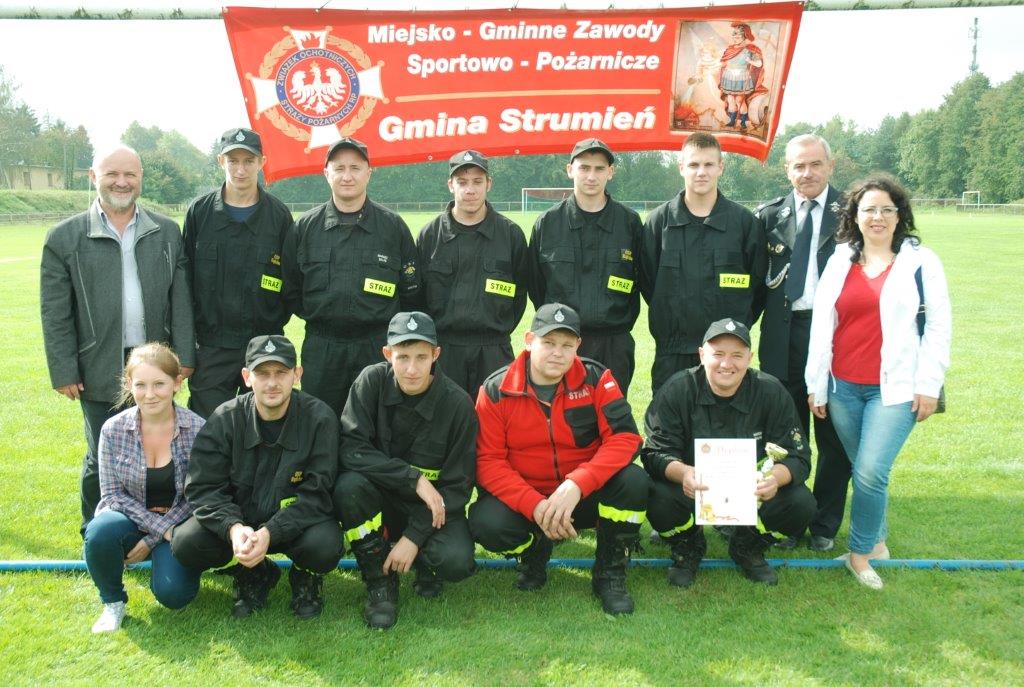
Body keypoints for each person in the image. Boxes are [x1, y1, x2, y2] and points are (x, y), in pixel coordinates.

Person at [40, 144, 195, 536]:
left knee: (156, 447)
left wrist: (184, 356)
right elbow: (55, 312)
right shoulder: (64, 237)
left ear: (141, 178)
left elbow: (181, 298)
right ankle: (96, 534)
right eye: (112, 174)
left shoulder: (166, 231)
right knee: (101, 452)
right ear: (94, 177)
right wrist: (64, 369)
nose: (121, 182)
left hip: (156, 362)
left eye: (130, 174)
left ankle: (152, 529)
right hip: (98, 362)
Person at [806, 175, 950, 590]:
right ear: (855, 215)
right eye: (869, 209)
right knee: (864, 469)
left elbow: (938, 326)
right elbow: (822, 326)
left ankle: (860, 553)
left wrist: (929, 384)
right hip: (842, 388)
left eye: (887, 209)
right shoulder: (839, 260)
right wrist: (817, 384)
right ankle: (879, 543)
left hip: (896, 389)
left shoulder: (922, 262)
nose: (878, 217)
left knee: (870, 471)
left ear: (900, 215)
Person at [469, 303, 649, 615]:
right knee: (486, 522)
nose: (557, 353)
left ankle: (609, 570)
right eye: (548, 343)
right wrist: (535, 506)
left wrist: (577, 484)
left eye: (567, 345)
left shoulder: (597, 378)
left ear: (578, 345)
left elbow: (625, 438)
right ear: (529, 341)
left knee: (634, 481)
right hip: (529, 500)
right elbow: (488, 462)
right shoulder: (496, 389)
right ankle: (534, 549)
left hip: (582, 496)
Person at [171, 335, 343, 618]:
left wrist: (271, 532)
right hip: (242, 524)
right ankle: (253, 571)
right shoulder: (224, 419)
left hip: (295, 524)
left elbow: (319, 493)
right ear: (247, 377)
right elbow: (203, 488)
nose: (272, 383)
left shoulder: (320, 419)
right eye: (262, 373)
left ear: (297, 375)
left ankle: (305, 576)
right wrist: (234, 528)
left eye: (281, 372)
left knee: (325, 545)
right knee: (187, 542)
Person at [642, 318, 816, 587]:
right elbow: (654, 453)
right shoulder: (677, 389)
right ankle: (688, 545)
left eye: (737, 355)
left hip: (752, 493)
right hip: (691, 489)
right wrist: (684, 473)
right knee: (657, 495)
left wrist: (774, 479)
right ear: (702, 355)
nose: (726, 364)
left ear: (750, 358)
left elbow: (799, 456)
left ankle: (747, 546)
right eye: (718, 354)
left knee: (801, 502)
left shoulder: (771, 392)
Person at [333, 312, 477, 629]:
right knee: (348, 488)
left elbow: (458, 487)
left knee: (456, 561)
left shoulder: (458, 405)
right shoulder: (370, 382)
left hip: (431, 509)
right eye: (402, 357)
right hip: (381, 501)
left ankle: (425, 563)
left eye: (421, 357)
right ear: (388, 354)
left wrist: (414, 536)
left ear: (436, 355)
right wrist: (413, 478)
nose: (412, 369)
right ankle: (379, 582)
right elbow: (350, 449)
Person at [755, 134, 851, 552]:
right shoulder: (767, 216)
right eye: (798, 165)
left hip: (836, 337)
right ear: (787, 170)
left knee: (833, 437)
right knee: (783, 436)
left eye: (815, 164)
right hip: (782, 336)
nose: (807, 173)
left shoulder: (853, 212)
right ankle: (789, 519)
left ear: (830, 166)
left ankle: (825, 523)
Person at [281, 138, 420, 415]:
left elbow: (411, 292)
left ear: (369, 173)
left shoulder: (392, 227)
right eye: (339, 168)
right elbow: (291, 289)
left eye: (355, 168)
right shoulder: (304, 228)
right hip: (322, 348)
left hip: (376, 347)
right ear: (326, 173)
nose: (347, 176)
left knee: (378, 422)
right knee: (320, 422)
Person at [84, 343, 205, 633]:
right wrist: (160, 530)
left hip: (179, 523)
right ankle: (113, 602)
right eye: (141, 385)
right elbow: (112, 496)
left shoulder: (199, 429)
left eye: (159, 384)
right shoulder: (112, 430)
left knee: (174, 595)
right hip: (132, 520)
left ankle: (172, 564)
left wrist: (152, 540)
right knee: (100, 531)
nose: (150, 394)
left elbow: (199, 496)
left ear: (177, 383)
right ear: (129, 384)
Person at [640, 132, 767, 394]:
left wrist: (731, 332)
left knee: (727, 420)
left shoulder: (744, 224)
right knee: (669, 419)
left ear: (721, 167)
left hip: (726, 355)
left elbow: (758, 288)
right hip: (672, 352)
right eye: (694, 164)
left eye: (709, 164)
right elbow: (648, 282)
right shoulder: (658, 222)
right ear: (681, 167)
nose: (701, 172)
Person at [182, 127, 294, 418]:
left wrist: (270, 320)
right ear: (221, 161)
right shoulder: (199, 213)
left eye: (248, 161)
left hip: (263, 346)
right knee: (209, 427)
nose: (240, 169)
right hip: (211, 347)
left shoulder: (279, 216)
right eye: (233, 161)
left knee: (262, 426)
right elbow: (184, 280)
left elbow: (291, 283)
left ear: (262, 162)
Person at [527, 139, 643, 394]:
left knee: (612, 413)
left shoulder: (629, 223)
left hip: (614, 343)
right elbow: (536, 285)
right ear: (570, 170)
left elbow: (645, 279)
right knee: (563, 414)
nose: (591, 176)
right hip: (563, 343)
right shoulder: (548, 224)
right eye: (584, 168)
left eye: (599, 168)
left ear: (610, 172)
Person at [416, 150, 529, 395]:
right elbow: (417, 296)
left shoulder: (510, 235)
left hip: (494, 350)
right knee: (445, 417)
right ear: (450, 185)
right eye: (462, 182)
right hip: (444, 351)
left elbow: (520, 294)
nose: (470, 190)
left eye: (477, 182)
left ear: (488, 184)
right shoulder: (430, 236)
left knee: (495, 417)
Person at [718, 22, 766, 130]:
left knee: (739, 100)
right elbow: (723, 62)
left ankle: (743, 122)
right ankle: (732, 121)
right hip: (729, 77)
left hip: (741, 78)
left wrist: (750, 61)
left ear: (744, 37)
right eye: (734, 37)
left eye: (738, 37)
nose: (735, 39)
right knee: (730, 99)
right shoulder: (730, 49)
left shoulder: (750, 49)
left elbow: (759, 64)